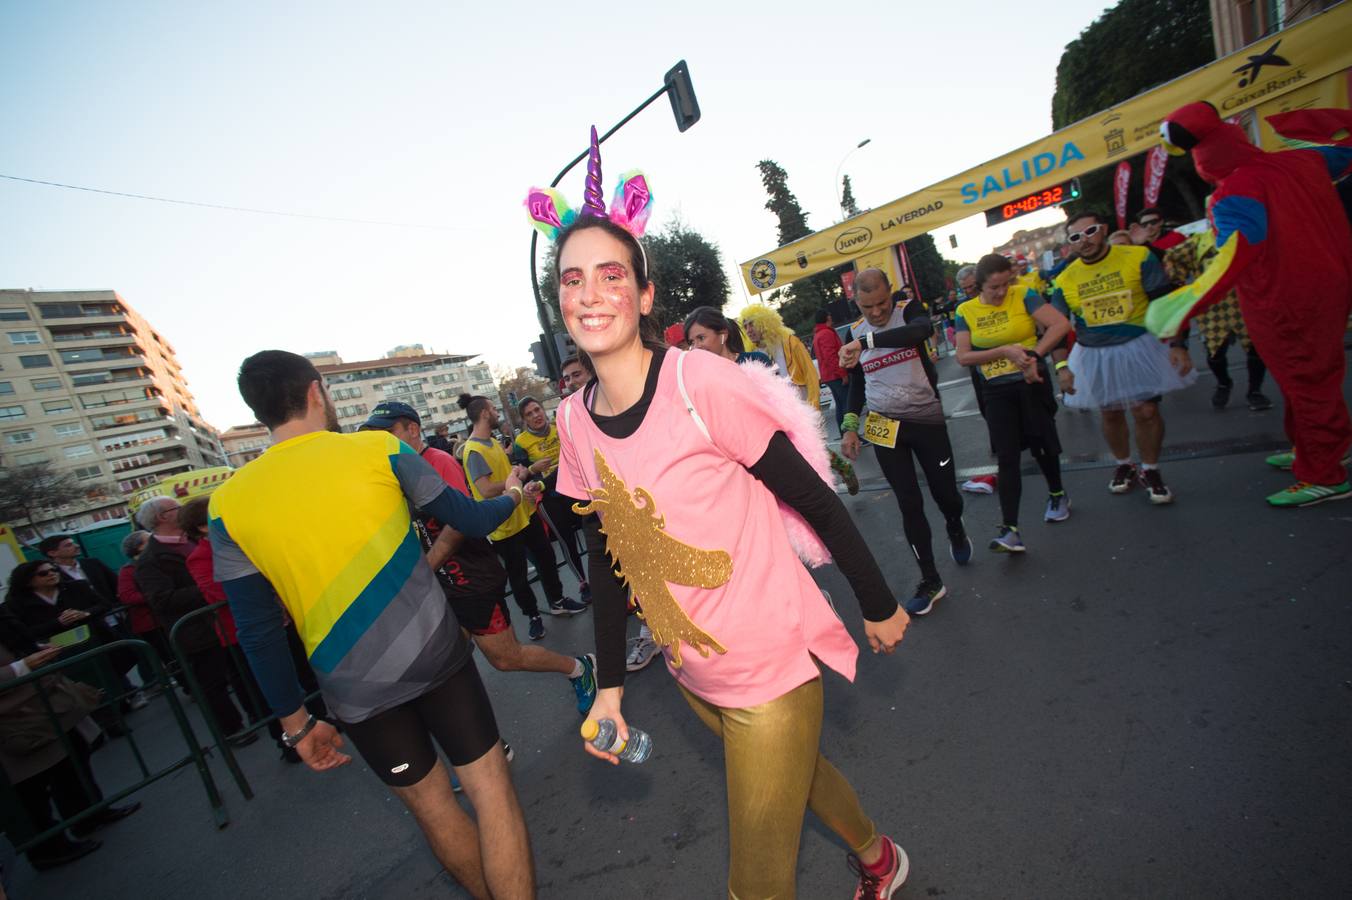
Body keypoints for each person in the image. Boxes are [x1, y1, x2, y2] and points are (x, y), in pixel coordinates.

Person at [527, 131, 911, 899]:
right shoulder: (572, 420)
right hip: (691, 670)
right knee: (798, 781)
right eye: (573, 279)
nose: (591, 292)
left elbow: (811, 495)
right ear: (559, 302)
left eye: (611, 274)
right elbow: (608, 557)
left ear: (643, 295)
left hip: (770, 665)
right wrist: (610, 686)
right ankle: (879, 857)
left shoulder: (702, 382)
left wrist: (876, 600)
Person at [209, 350, 538, 899]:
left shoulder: (227, 504)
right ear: (318, 391)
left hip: (355, 689)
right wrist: (510, 496)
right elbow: (471, 518)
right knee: (491, 794)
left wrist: (296, 727)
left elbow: (258, 631)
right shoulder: (379, 448)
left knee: (435, 812)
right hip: (435, 656)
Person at [1150, 102, 1352, 507]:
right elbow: (1345, 151)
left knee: (1307, 381)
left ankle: (1324, 474)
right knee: (1307, 381)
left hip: (1283, 301)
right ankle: (1320, 448)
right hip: (1328, 285)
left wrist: (1186, 304)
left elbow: (1236, 253)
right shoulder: (1303, 159)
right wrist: (1310, 121)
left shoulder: (1233, 193)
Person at [360, 402, 597, 717]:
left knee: (505, 657)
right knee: (447, 664)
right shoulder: (394, 472)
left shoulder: (436, 461)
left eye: (386, 433)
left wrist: (425, 570)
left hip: (471, 578)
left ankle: (579, 668)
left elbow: (461, 522)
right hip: (441, 585)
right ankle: (482, 742)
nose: (380, 442)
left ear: (412, 430)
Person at [837, 268, 970, 615]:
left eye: (882, 302)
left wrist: (865, 342)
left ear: (890, 292)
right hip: (884, 425)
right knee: (908, 502)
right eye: (868, 307)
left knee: (946, 496)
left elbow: (920, 332)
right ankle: (930, 580)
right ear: (857, 302)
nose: (878, 312)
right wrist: (849, 426)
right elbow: (855, 386)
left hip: (925, 419)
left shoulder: (908, 310)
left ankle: (955, 527)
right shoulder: (853, 332)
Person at [1049, 209, 1197, 504]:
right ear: (1070, 243)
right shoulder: (1064, 279)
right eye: (1076, 237)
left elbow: (1166, 302)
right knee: (1111, 412)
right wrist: (1063, 368)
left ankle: (1151, 469)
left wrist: (1179, 344)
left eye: (1090, 232)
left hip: (1139, 345)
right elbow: (1057, 327)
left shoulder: (1137, 257)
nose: (1085, 241)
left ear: (1103, 229)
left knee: (1146, 411)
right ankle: (1124, 464)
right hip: (1094, 354)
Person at [954, 254, 1073, 552]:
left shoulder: (1024, 294)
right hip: (995, 390)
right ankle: (1010, 529)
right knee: (1007, 456)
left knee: (1041, 444)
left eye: (1006, 284)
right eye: (994, 287)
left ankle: (1057, 493)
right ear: (980, 286)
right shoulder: (966, 310)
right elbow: (963, 356)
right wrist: (1005, 351)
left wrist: (1033, 356)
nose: (1001, 292)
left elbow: (1059, 324)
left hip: (1030, 383)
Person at [180, 497, 311, 762]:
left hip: (280, 619)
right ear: (203, 527)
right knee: (269, 688)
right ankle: (289, 742)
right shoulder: (200, 556)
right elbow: (218, 590)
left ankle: (318, 719)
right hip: (244, 631)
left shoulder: (245, 541)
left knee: (303, 672)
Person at [0, 635, 140, 871]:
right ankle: (47, 848)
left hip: (38, 708)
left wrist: (33, 650)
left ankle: (89, 814)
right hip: (15, 724)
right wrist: (22, 667)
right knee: (32, 790)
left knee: (72, 761)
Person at [459, 393, 588, 641]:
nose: (497, 412)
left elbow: (505, 474)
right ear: (485, 413)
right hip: (503, 526)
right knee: (518, 578)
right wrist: (523, 474)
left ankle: (557, 601)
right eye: (494, 409)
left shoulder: (492, 442)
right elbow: (485, 489)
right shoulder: (473, 449)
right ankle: (533, 617)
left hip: (524, 515)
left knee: (547, 559)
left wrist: (515, 471)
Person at [134, 498, 257, 746]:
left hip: (223, 622)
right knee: (213, 684)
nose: (182, 511)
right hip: (195, 631)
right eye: (176, 508)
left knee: (242, 673)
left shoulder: (193, 541)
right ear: (163, 517)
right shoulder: (151, 560)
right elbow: (162, 599)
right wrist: (209, 588)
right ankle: (232, 729)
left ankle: (259, 714)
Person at [1161, 232, 1271, 411]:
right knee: (1215, 354)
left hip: (1244, 302)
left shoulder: (1242, 235)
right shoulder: (1199, 242)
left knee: (1255, 349)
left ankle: (1255, 391)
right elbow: (1172, 256)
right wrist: (1178, 281)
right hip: (1212, 309)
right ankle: (1223, 383)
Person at [511, 396, 588, 599]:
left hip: (574, 487)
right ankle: (584, 583)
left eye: (537, 409)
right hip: (549, 498)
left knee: (593, 532)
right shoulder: (521, 442)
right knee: (566, 541)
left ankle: (609, 577)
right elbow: (521, 474)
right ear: (524, 420)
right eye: (529, 414)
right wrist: (531, 469)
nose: (536, 415)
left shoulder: (558, 427)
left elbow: (574, 458)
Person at [116, 530, 171, 692]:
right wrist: (157, 595)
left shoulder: (160, 560)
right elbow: (127, 596)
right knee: (170, 657)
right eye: (149, 540)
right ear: (139, 548)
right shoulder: (128, 570)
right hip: (151, 623)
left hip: (167, 615)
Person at [741, 303, 820, 408]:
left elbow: (810, 374)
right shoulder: (751, 355)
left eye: (752, 324)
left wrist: (814, 405)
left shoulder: (790, 342)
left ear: (765, 322)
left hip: (802, 406)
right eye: (745, 327)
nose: (748, 330)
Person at [813, 308, 849, 435]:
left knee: (840, 405)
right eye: (830, 315)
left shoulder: (819, 334)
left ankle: (844, 433)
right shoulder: (826, 333)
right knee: (846, 405)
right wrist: (843, 374)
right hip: (835, 375)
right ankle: (849, 434)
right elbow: (831, 357)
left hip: (830, 375)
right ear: (827, 318)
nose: (831, 317)